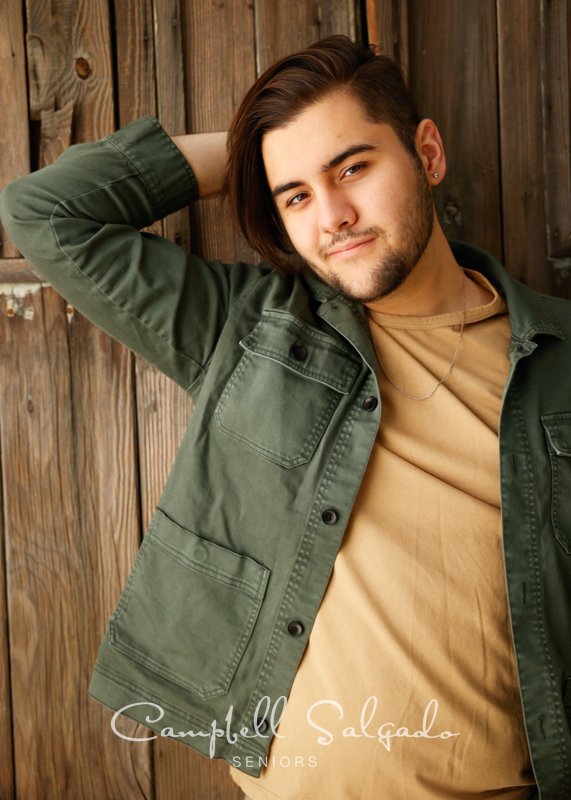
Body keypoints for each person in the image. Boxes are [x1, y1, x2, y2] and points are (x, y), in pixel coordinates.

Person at [1, 34, 569, 800]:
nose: (332, 215)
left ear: (426, 154)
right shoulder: (247, 330)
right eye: (295, 195)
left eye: (353, 167)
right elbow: (46, 213)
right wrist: (249, 155)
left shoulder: (559, 361)